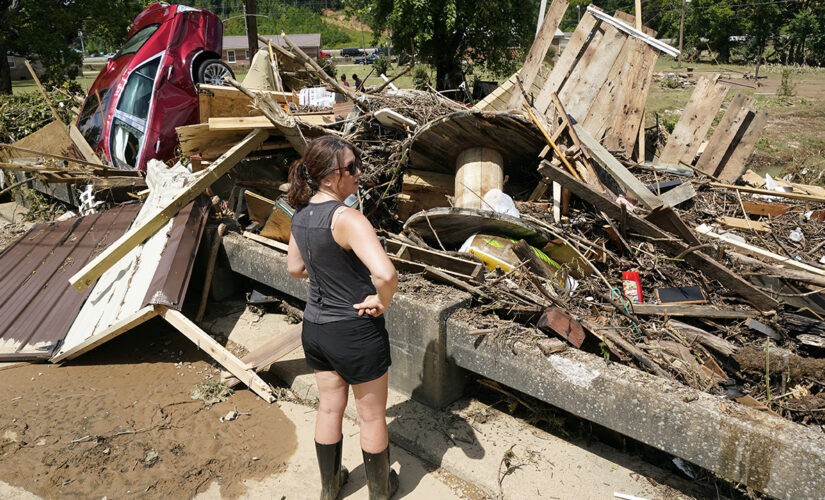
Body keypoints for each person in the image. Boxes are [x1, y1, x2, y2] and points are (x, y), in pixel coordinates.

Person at [287, 136, 399, 500]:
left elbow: (294, 268)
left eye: (357, 163)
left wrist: (327, 274)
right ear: (328, 177)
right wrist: (381, 301)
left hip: (316, 328)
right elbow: (385, 274)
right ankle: (381, 493)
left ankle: (330, 488)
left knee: (330, 407)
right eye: (351, 167)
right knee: (371, 416)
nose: (359, 173)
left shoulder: (301, 216)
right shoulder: (348, 218)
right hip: (353, 332)